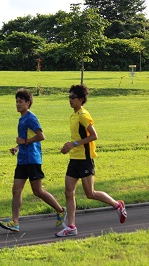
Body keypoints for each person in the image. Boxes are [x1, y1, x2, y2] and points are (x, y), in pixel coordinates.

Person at [55, 84, 127, 237]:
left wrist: (74, 144)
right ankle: (71, 226)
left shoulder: (83, 115)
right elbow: (77, 137)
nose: (70, 100)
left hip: (85, 160)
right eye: (69, 97)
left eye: (73, 97)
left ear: (81, 99)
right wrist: (68, 147)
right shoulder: (73, 115)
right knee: (69, 192)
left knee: (90, 193)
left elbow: (94, 136)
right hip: (74, 158)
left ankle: (117, 205)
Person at [0, 89, 67, 232]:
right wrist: (17, 147)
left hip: (33, 159)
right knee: (16, 190)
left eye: (20, 102)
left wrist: (24, 141)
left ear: (28, 103)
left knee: (38, 191)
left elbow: (41, 136)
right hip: (22, 159)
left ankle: (60, 210)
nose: (17, 104)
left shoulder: (30, 118)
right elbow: (25, 139)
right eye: (16, 102)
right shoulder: (21, 119)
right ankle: (15, 222)